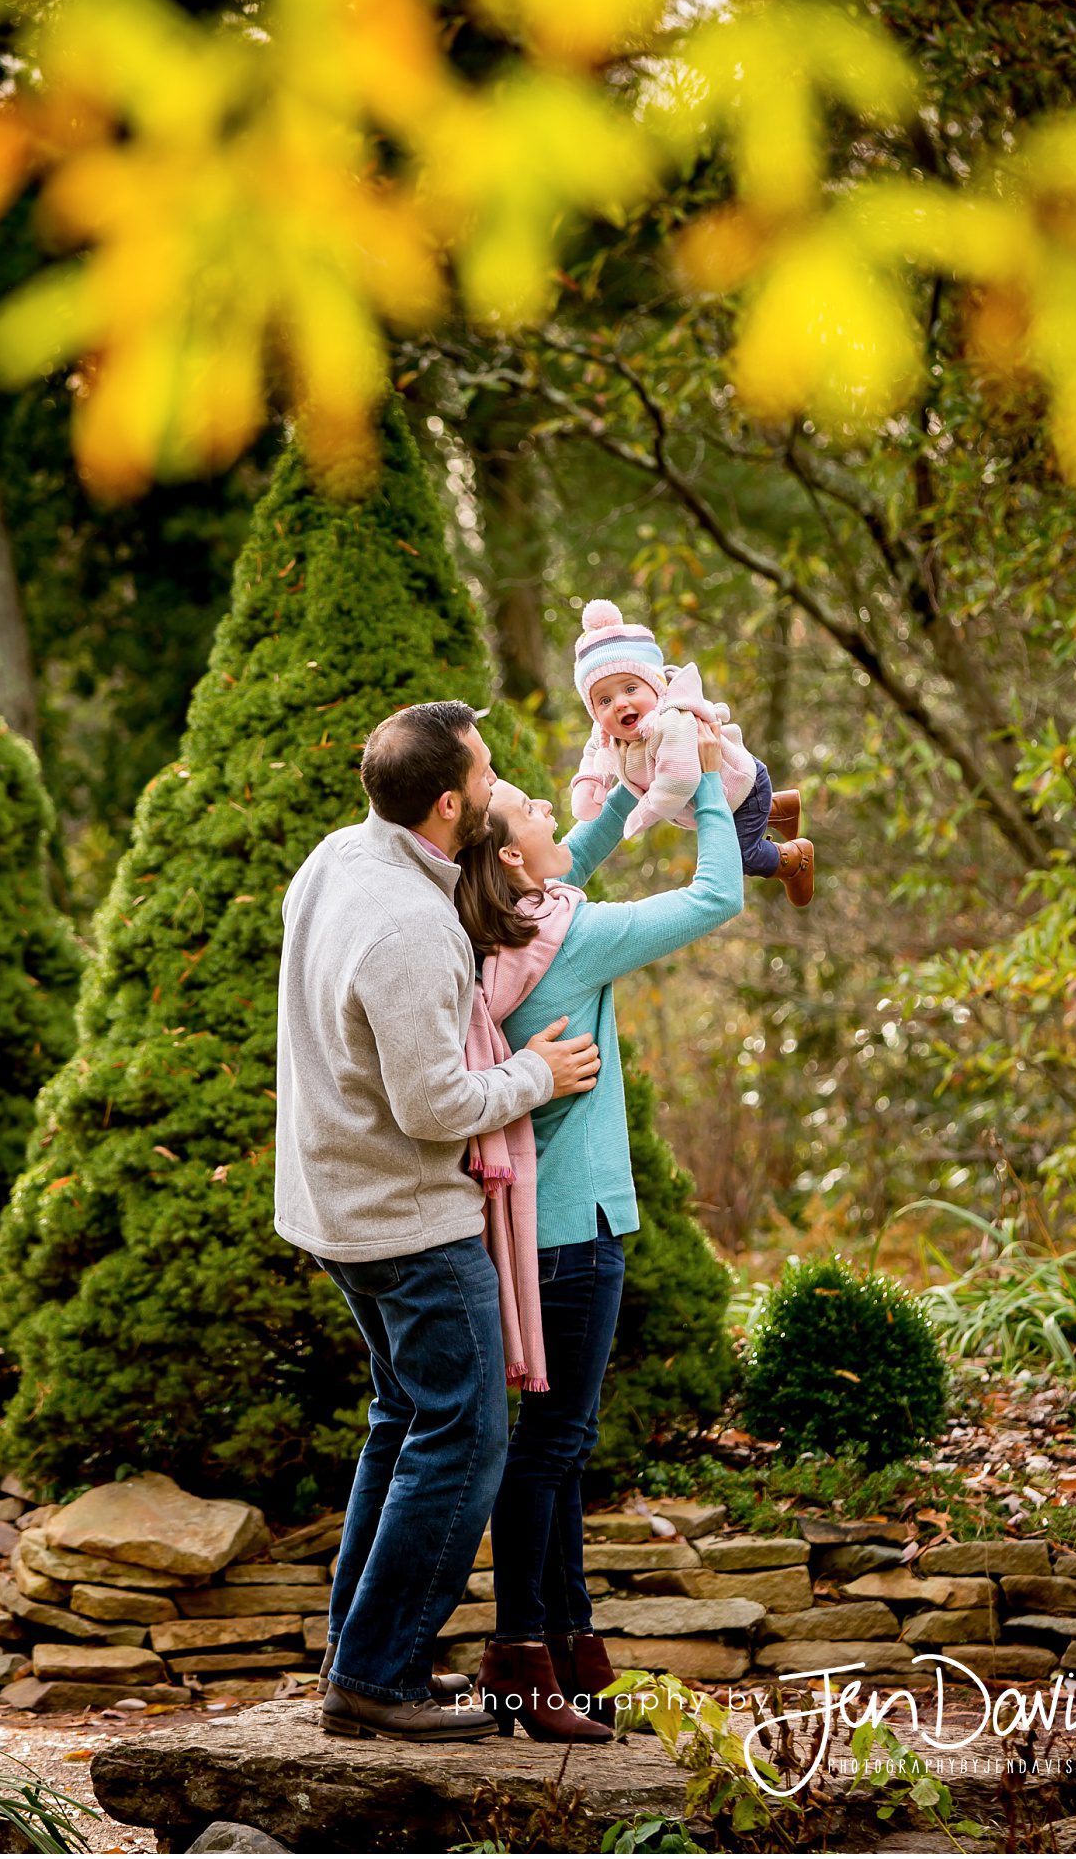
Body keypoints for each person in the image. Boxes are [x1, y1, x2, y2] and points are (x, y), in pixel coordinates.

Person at [274, 699, 602, 1742]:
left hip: (333, 1204)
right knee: (468, 1435)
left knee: (404, 1419)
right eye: (489, 770)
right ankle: (381, 1678)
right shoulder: (412, 927)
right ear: (450, 801)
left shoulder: (338, 857)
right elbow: (434, 1107)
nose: (503, 784)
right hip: (408, 1220)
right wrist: (534, 1074)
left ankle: (360, 1658)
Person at [454, 720, 742, 1738]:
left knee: (557, 1448)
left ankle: (569, 1643)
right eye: (532, 807)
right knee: (552, 1449)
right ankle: (520, 1651)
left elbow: (565, 860)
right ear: (508, 859)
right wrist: (706, 787)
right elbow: (719, 896)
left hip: (541, 1226)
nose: (548, 810)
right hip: (573, 1230)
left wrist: (624, 795)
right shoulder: (567, 936)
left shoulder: (499, 933)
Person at [568, 599, 815, 904]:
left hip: (742, 789)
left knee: (739, 856)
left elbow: (679, 780)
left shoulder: (670, 724)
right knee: (730, 823)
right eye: (603, 701)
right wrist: (588, 783)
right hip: (719, 795)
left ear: (655, 686)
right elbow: (594, 751)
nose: (618, 703)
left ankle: (793, 859)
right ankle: (782, 808)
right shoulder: (608, 731)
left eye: (630, 689)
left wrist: (641, 815)